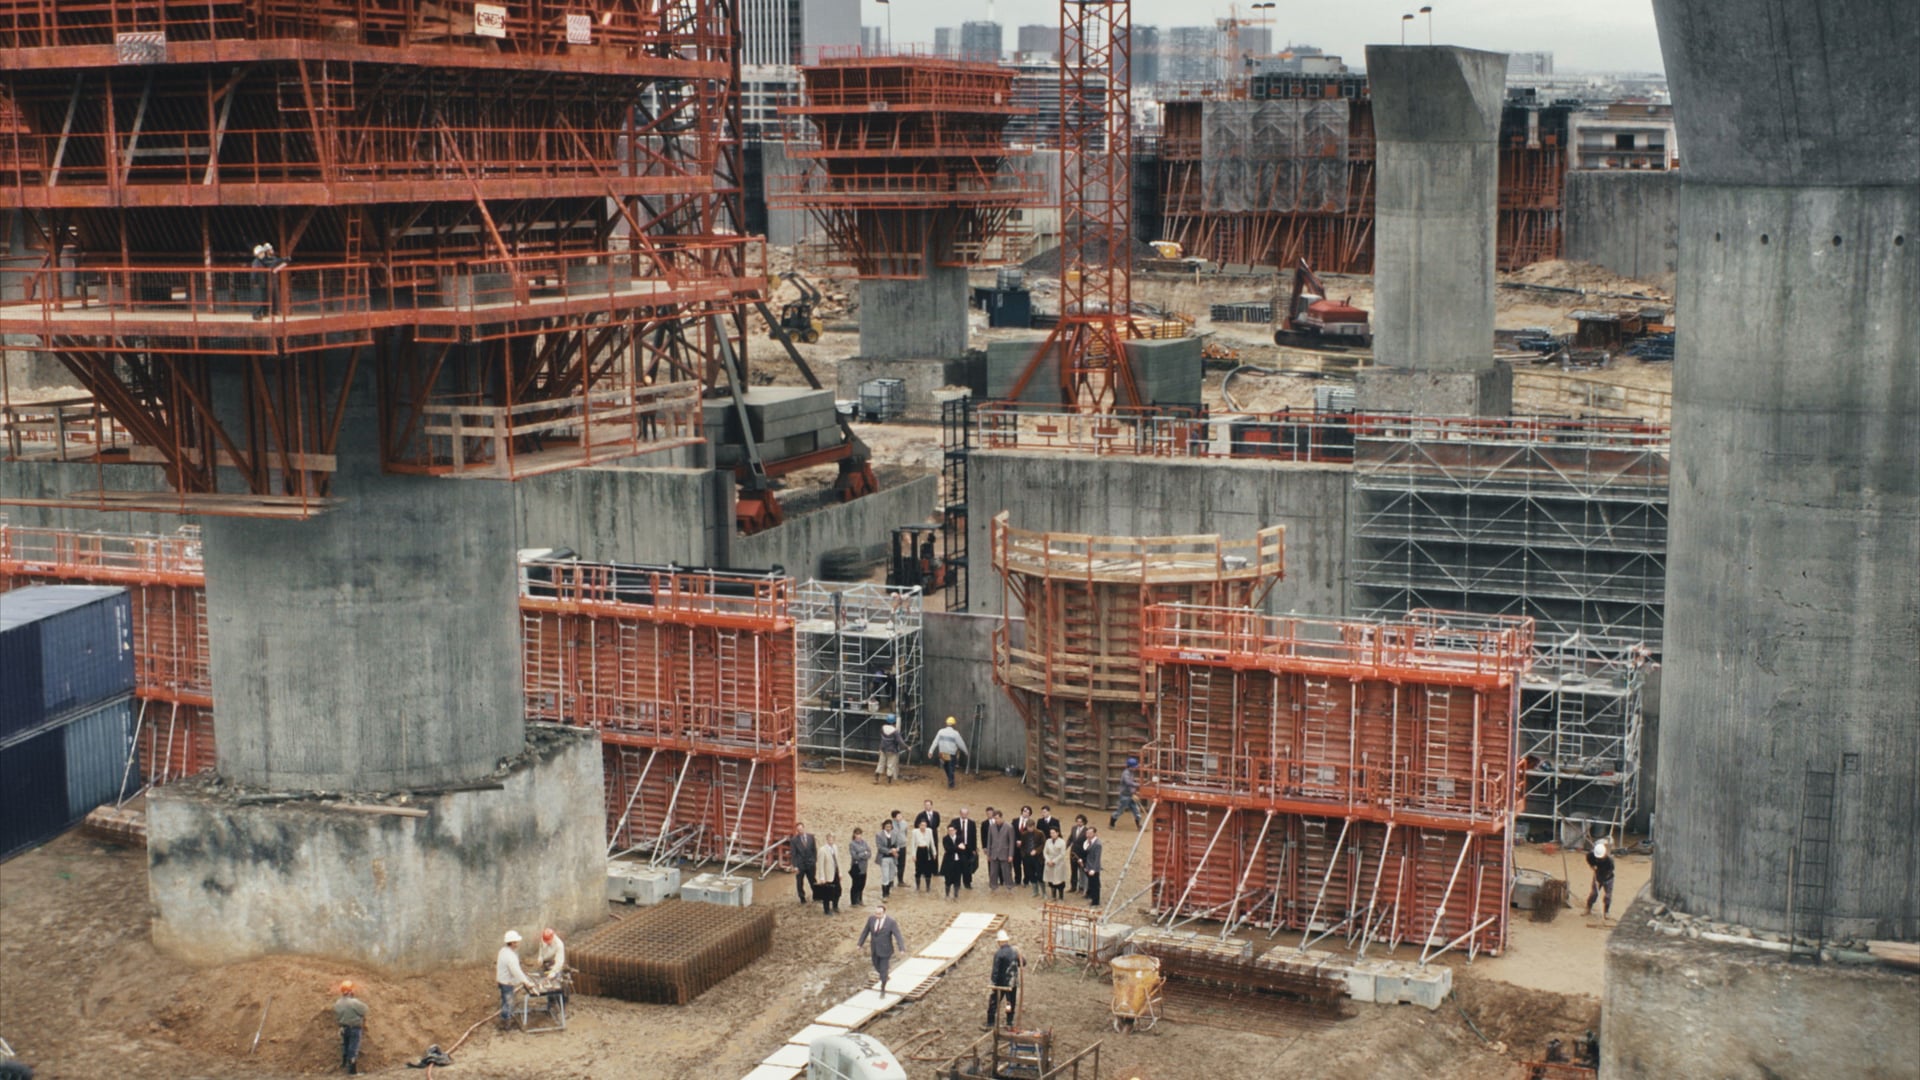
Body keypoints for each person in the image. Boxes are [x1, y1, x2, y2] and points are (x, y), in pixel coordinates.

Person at [856, 904, 908, 995]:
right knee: (876, 965)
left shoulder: (891, 922)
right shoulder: (871, 919)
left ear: (884, 913)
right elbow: (865, 931)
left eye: (879, 914)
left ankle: (883, 988)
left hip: (885, 949)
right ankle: (884, 975)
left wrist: (901, 948)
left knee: (883, 970)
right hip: (874, 948)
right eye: (876, 913)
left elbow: (898, 935)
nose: (877, 915)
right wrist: (860, 944)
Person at [984, 929, 1024, 1030]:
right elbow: (1023, 962)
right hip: (1012, 983)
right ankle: (1009, 1021)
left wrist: (993, 983)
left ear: (1000, 942)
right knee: (1009, 1003)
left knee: (994, 1002)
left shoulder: (999, 953)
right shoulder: (1014, 951)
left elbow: (995, 970)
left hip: (1000, 984)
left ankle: (990, 1022)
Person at [496, 930, 535, 1030]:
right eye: (517, 941)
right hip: (507, 983)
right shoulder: (510, 956)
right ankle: (506, 1023)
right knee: (509, 1002)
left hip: (502, 980)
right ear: (512, 942)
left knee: (505, 1000)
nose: (518, 943)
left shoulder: (504, 951)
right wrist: (526, 982)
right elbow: (516, 971)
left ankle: (505, 1018)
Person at [334, 980, 368, 1074]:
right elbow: (364, 1010)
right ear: (350, 991)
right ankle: (352, 1072)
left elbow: (337, 1017)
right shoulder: (354, 1002)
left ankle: (344, 1064)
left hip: (344, 1028)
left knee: (346, 1046)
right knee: (353, 1048)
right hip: (354, 1028)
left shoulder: (338, 1003)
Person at [250, 242, 289, 320]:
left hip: (261, 282)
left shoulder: (262, 261)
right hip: (258, 283)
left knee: (262, 298)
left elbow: (275, 263)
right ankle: (257, 314)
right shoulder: (256, 262)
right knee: (258, 299)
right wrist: (254, 282)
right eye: (261, 253)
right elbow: (254, 273)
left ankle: (264, 313)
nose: (263, 254)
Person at [930, 716, 970, 788]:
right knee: (951, 767)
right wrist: (966, 752)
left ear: (946, 724)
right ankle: (951, 782)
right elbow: (961, 744)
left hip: (942, 753)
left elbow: (935, 742)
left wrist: (931, 751)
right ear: (954, 725)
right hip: (951, 753)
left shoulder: (940, 731)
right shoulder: (955, 733)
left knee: (946, 767)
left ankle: (950, 779)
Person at [1584, 839, 1616, 920]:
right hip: (1597, 876)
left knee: (1608, 896)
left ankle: (1606, 912)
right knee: (1594, 894)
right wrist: (1592, 867)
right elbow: (1589, 860)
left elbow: (1609, 871)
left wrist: (1602, 879)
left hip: (1608, 878)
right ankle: (1588, 908)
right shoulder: (1591, 856)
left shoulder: (1609, 861)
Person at [985, 809, 1016, 892]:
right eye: (994, 818)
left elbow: (1011, 842)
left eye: (997, 818)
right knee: (993, 872)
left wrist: (1010, 855)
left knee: (1006, 872)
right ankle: (993, 886)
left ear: (1001, 817)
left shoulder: (1009, 827)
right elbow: (989, 841)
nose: (996, 820)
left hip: (1004, 853)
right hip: (994, 853)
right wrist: (988, 854)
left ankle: (1009, 886)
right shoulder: (991, 827)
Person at [1111, 756, 1143, 829]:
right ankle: (1112, 823)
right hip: (1125, 795)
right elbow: (1128, 783)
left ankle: (1139, 826)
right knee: (1120, 811)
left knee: (1136, 811)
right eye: (1134, 767)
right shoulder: (1126, 774)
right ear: (1130, 767)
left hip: (1131, 795)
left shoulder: (1131, 773)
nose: (1136, 768)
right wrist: (1138, 785)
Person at [815, 834, 844, 915]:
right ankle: (826, 910)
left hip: (835, 873)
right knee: (827, 893)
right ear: (827, 840)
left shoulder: (835, 847)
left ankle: (835, 906)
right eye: (829, 839)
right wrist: (822, 877)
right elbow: (820, 865)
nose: (831, 841)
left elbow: (838, 861)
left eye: (832, 839)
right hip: (828, 875)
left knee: (838, 890)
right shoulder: (822, 850)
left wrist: (840, 872)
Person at [789, 823, 817, 904]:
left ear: (804, 828)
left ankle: (816, 895)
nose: (800, 831)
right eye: (798, 830)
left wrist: (814, 861)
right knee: (799, 882)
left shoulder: (811, 837)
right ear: (797, 831)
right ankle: (802, 897)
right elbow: (793, 854)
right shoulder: (794, 840)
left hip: (810, 864)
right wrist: (795, 866)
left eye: (801, 829)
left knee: (813, 880)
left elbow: (814, 850)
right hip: (800, 865)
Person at [912, 815, 939, 893]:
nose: (923, 827)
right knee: (918, 869)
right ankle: (918, 886)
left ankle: (928, 887)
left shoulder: (929, 831)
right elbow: (913, 844)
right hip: (918, 850)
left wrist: (934, 852)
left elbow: (932, 842)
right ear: (919, 825)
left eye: (924, 825)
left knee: (928, 869)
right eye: (921, 825)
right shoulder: (915, 832)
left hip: (927, 851)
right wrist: (913, 855)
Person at [876, 820, 902, 900]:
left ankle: (888, 892)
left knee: (891, 875)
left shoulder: (894, 834)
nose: (888, 828)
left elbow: (898, 845)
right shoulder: (879, 835)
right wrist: (890, 851)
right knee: (885, 876)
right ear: (884, 826)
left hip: (893, 858)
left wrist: (896, 850)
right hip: (884, 858)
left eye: (890, 827)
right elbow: (880, 847)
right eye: (887, 826)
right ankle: (884, 895)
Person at [954, 807, 979, 889]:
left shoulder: (972, 823)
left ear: (967, 814)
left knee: (968, 866)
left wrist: (974, 849)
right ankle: (957, 883)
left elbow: (974, 836)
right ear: (960, 813)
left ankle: (967, 883)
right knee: (957, 865)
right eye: (962, 813)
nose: (964, 815)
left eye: (965, 813)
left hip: (969, 847)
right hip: (958, 847)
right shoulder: (955, 822)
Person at [877, 720, 907, 784]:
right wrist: (907, 747)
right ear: (894, 723)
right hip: (892, 750)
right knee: (890, 765)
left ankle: (877, 777)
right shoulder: (895, 731)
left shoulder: (883, 728)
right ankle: (889, 780)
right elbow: (900, 741)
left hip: (883, 749)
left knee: (881, 763)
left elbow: (882, 738)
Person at [1042, 826, 1069, 901]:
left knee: (1059, 880)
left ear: (1057, 833)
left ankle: (1061, 897)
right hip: (1049, 862)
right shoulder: (1048, 841)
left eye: (1053, 833)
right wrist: (1048, 860)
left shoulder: (1062, 842)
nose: (1052, 834)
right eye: (1051, 833)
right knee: (1051, 880)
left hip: (1058, 863)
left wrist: (1054, 861)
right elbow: (1045, 852)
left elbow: (1062, 854)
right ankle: (1053, 896)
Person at [941, 822, 966, 899]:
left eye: (952, 830)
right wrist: (958, 847)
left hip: (958, 862)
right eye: (949, 830)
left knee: (957, 879)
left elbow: (962, 850)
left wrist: (955, 848)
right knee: (947, 879)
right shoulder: (945, 838)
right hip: (948, 862)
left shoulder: (960, 838)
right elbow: (948, 849)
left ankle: (956, 895)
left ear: (955, 831)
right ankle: (947, 895)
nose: (950, 832)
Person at [848, 828, 872, 907]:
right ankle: (854, 901)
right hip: (856, 867)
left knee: (862, 884)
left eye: (860, 834)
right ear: (854, 834)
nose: (859, 836)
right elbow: (855, 856)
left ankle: (860, 899)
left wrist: (862, 854)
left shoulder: (864, 842)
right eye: (857, 834)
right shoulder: (852, 844)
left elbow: (869, 853)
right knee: (855, 884)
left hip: (864, 867)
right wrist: (863, 853)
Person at [1012, 806, 1034, 886]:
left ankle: (1026, 880)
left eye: (1028, 812)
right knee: (1016, 864)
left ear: (1030, 814)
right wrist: (1016, 841)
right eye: (1024, 811)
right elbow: (1012, 833)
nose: (1025, 813)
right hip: (1016, 846)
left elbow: (1032, 835)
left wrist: (1023, 842)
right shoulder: (1015, 821)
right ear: (1021, 812)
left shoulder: (1031, 822)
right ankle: (1017, 879)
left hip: (1026, 847)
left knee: (1026, 864)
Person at [1067, 815, 1089, 894]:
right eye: (1077, 821)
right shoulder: (1073, 828)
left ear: (1083, 822)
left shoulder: (1086, 830)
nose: (1078, 823)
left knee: (1082, 870)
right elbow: (1070, 839)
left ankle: (1081, 887)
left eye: (1080, 822)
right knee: (1073, 870)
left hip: (1081, 852)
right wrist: (1066, 846)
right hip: (1073, 852)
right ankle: (1073, 886)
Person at [1082, 827, 1104, 906]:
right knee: (1091, 883)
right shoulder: (1087, 842)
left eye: (1090, 833)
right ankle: (1091, 896)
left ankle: (1095, 901)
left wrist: (1094, 869)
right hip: (1088, 865)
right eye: (1087, 833)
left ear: (1094, 833)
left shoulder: (1097, 844)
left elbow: (1097, 858)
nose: (1088, 835)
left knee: (1095, 885)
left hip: (1093, 867)